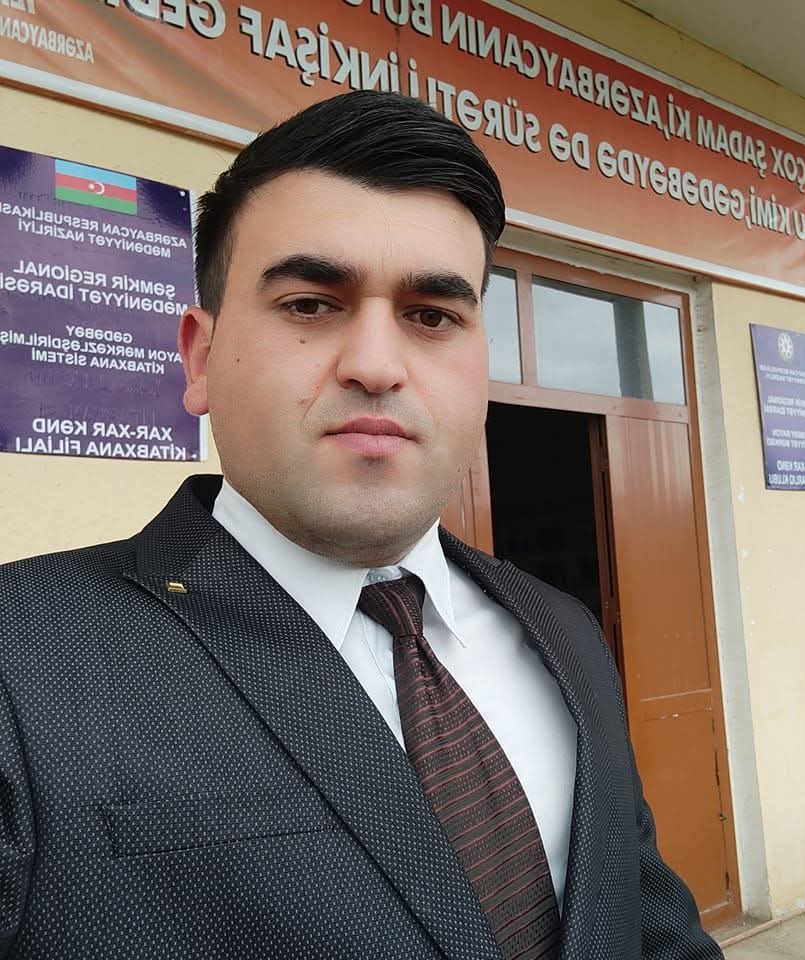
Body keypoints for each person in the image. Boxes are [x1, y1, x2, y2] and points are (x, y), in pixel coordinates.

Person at [0, 90, 724, 959]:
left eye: (432, 316)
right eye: (310, 304)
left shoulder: (565, 633)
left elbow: (651, 931)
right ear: (200, 358)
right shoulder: (21, 658)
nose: (377, 366)